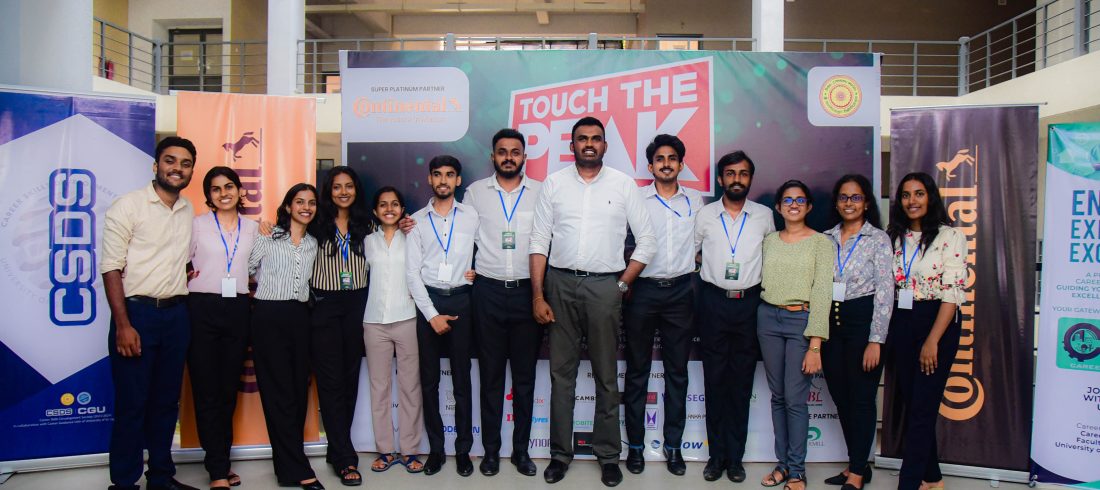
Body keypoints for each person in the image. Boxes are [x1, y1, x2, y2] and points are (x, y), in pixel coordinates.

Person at [529, 116, 656, 488]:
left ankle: (608, 456)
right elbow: (539, 242)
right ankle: (559, 455)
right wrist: (538, 295)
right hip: (559, 284)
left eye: (596, 138)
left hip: (605, 287)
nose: (589, 144)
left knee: (605, 376)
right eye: (582, 138)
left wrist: (621, 285)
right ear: (571, 146)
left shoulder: (623, 184)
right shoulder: (554, 184)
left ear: (604, 145)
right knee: (561, 376)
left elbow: (647, 241)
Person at [101, 136, 198, 490]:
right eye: (170, 161)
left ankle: (160, 477)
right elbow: (111, 268)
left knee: (166, 403)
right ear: (156, 165)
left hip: (176, 316)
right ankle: (124, 483)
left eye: (185, 164)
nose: (177, 168)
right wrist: (123, 325)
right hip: (137, 315)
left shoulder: (187, 209)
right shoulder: (128, 206)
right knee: (132, 404)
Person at [462, 128, 544, 477]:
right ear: (492, 156)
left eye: (515, 152)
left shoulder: (541, 192)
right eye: (502, 151)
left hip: (528, 293)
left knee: (524, 380)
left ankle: (521, 452)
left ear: (524, 156)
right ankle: (491, 452)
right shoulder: (475, 193)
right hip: (488, 293)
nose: (508, 157)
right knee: (491, 378)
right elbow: (458, 235)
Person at [623, 134, 703, 477]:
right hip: (642, 291)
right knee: (637, 372)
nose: (666, 163)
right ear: (651, 165)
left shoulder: (696, 201)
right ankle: (635, 447)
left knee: (677, 374)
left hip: (681, 292)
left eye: (672, 158)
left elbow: (700, 244)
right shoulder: (637, 199)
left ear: (681, 164)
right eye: (660, 159)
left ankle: (673, 448)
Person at [693, 150, 774, 483]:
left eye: (743, 173)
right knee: (714, 383)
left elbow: (773, 257)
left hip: (750, 306)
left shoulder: (764, 216)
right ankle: (716, 457)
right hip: (713, 303)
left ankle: (735, 459)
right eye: (730, 173)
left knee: (741, 385)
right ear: (720, 178)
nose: (736, 179)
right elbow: (691, 253)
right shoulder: (705, 215)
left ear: (750, 178)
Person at [885, 172, 967, 490]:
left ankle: (909, 483)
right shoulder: (894, 237)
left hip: (937, 322)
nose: (912, 201)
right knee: (914, 404)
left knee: (922, 408)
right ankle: (933, 479)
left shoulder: (950, 236)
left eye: (919, 193)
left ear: (930, 197)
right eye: (906, 195)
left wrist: (933, 340)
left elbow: (952, 293)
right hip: (902, 321)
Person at [406, 155, 480, 477]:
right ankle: (436, 450)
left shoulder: (472, 216)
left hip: (462, 300)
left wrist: (477, 272)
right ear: (430, 179)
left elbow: (487, 250)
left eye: (450, 175)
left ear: (458, 180)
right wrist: (432, 315)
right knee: (429, 382)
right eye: (437, 174)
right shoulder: (416, 221)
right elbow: (412, 274)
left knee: (462, 381)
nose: (443, 180)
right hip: (428, 302)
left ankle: (463, 450)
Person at [757, 180, 833, 490]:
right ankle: (783, 465)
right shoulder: (769, 241)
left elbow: (823, 292)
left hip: (801, 320)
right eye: (787, 200)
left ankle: (797, 471)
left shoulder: (821, 243)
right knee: (778, 397)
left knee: (795, 399)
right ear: (778, 207)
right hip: (767, 318)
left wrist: (815, 345)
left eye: (800, 200)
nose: (793, 205)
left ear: (809, 206)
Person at [186, 166, 258, 489]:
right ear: (208, 196)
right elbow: (181, 260)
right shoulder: (196, 225)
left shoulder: (254, 228)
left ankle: (220, 461)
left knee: (228, 390)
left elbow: (257, 268)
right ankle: (217, 469)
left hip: (239, 308)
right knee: (206, 389)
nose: (223, 193)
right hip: (201, 308)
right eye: (216, 189)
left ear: (240, 190)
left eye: (229, 186)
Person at [821, 174, 894, 490]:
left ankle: (856, 473)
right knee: (841, 397)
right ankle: (858, 464)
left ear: (866, 203)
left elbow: (885, 292)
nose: (849, 203)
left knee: (862, 399)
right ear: (836, 203)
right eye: (843, 197)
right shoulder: (825, 238)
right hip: (831, 322)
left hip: (863, 321)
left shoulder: (878, 239)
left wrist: (876, 340)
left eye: (856, 197)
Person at [249, 184, 323, 490]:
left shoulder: (313, 243)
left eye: (311, 203)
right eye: (299, 202)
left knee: (296, 392)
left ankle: (286, 467)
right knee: (277, 393)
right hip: (268, 316)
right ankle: (298, 467)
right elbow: (246, 268)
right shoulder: (268, 236)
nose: (306, 207)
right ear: (289, 206)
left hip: (300, 317)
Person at [309, 167, 372, 486]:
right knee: (331, 382)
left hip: (357, 304)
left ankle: (337, 448)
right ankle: (346, 459)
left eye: (349, 186)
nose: (343, 192)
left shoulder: (367, 224)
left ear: (356, 190)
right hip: (324, 306)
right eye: (337, 187)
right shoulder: (315, 223)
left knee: (349, 380)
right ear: (328, 191)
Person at [362, 186, 425, 474]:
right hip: (374, 321)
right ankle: (385, 450)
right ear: (375, 211)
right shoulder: (367, 241)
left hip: (407, 318)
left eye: (395, 204)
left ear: (402, 209)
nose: (389, 209)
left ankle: (410, 451)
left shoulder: (412, 236)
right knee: (379, 388)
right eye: (383, 204)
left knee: (410, 387)